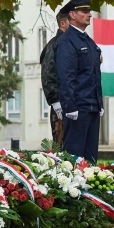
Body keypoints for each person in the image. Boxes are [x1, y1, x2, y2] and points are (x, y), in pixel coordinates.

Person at [54, 0, 103, 163]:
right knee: (74, 159)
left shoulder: (88, 41)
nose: (89, 14)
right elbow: (65, 77)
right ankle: (71, 189)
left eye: (89, 11)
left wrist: (99, 103)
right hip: (78, 108)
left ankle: (88, 189)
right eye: (84, 11)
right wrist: (70, 107)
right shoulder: (67, 41)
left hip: (91, 105)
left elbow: (94, 74)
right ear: (72, 15)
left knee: (90, 159)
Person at [40, 11, 70, 147]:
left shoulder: (69, 43)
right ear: (63, 23)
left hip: (72, 102)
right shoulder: (55, 44)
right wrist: (55, 100)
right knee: (61, 145)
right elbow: (48, 74)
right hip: (61, 104)